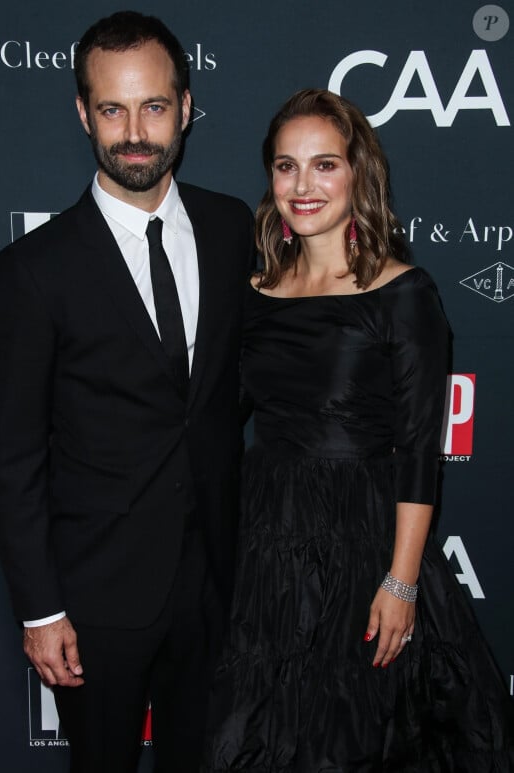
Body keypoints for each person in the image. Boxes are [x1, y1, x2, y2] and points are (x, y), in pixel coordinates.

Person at [203, 89, 514, 771]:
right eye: (286, 166)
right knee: (254, 734)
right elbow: (219, 420)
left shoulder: (405, 292)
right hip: (268, 547)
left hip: (363, 541)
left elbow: (418, 448)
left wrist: (401, 582)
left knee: (352, 740)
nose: (303, 185)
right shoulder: (254, 292)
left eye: (325, 165)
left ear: (358, 174)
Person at [0, 11, 253, 773]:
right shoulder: (35, 268)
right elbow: (13, 456)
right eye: (112, 108)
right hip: (94, 599)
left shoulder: (231, 227)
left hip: (214, 583)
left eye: (154, 106)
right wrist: (41, 609)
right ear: (83, 113)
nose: (135, 131)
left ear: (187, 107)